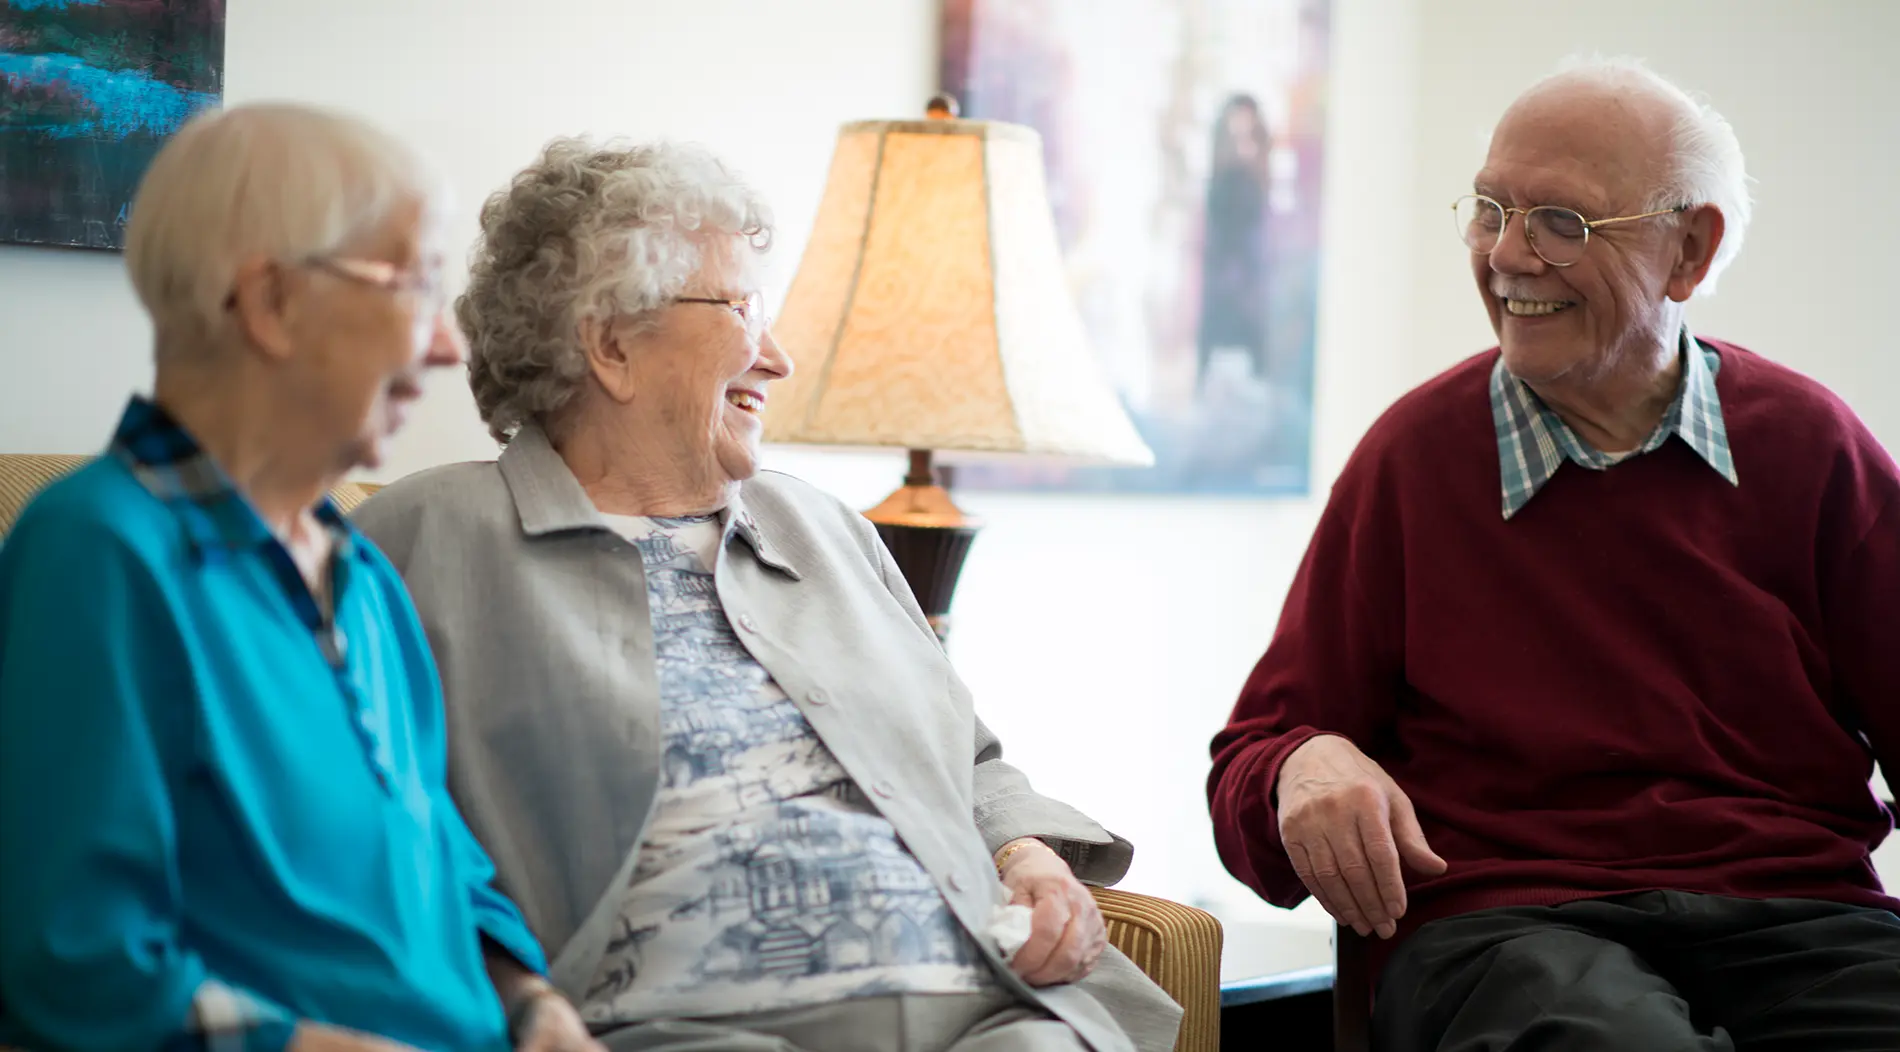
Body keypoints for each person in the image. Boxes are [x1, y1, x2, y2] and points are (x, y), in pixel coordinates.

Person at [352, 138, 1182, 1052]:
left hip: (983, 1009)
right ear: (612, 342)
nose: (778, 358)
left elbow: (970, 762)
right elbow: (369, 832)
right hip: (678, 1030)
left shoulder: (825, 531)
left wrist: (1026, 858)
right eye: (742, 309)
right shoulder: (423, 540)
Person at [1207, 58, 1900, 1051]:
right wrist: (1301, 766)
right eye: (1489, 209)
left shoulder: (1810, 445)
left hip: (1799, 920)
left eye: (1560, 222)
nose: (1506, 255)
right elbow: (1253, 758)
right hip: (1508, 928)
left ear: (1688, 251)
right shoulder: (1414, 459)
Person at [0, 104, 599, 1052]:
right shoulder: (97, 555)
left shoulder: (363, 574)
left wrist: (532, 999)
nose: (447, 347)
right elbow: (74, 964)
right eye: (415, 288)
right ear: (273, 304)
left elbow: (438, 852)